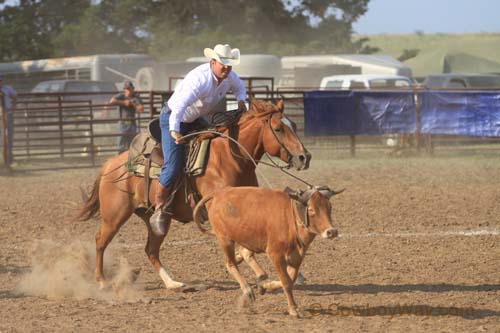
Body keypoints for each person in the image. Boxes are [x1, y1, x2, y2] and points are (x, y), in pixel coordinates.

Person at [150, 43, 247, 236]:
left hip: (194, 119)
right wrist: (174, 131)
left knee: (217, 142)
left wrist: (242, 100)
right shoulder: (200, 79)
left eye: (229, 65)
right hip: (173, 118)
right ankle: (159, 209)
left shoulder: (228, 77)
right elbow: (178, 107)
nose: (226, 68)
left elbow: (240, 87)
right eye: (222, 64)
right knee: (173, 165)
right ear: (213, 62)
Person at [108, 81, 144, 154]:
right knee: (121, 143)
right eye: (126, 89)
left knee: (132, 143)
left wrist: (133, 103)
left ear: (132, 89)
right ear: (124, 90)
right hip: (123, 123)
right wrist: (124, 102)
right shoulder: (122, 96)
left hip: (132, 123)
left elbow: (140, 109)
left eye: (129, 89)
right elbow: (112, 101)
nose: (128, 91)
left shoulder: (136, 98)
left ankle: (131, 159)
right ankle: (119, 158)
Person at [0, 74, 17, 164]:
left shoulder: (7, 89)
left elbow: (15, 97)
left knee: (8, 135)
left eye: (0, 80)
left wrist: (13, 107)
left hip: (7, 114)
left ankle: (9, 157)